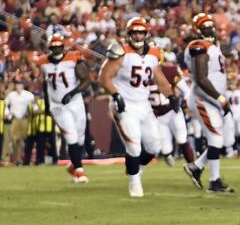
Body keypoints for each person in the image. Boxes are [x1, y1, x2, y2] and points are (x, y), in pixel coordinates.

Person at [99, 17, 177, 197]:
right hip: (125, 104)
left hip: (144, 104)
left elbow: (159, 78)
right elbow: (104, 77)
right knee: (134, 147)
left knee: (154, 147)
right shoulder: (121, 51)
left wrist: (171, 96)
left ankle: (136, 170)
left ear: (146, 34)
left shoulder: (154, 53)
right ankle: (135, 184)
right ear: (129, 34)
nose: (138, 36)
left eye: (141, 32)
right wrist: (116, 95)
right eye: (134, 32)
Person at [182, 13, 235, 193]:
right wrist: (220, 99)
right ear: (197, 30)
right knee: (216, 138)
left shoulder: (212, 46)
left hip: (211, 99)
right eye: (204, 28)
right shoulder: (198, 45)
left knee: (222, 138)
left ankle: (196, 167)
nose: (209, 30)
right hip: (202, 98)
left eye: (210, 26)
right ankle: (215, 181)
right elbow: (202, 79)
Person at [38, 34, 91, 181]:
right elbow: (46, 84)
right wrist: (47, 104)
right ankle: (79, 171)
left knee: (80, 138)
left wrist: (72, 93)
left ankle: (73, 165)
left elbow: (86, 80)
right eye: (53, 47)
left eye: (58, 46)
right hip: (58, 106)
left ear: (63, 46)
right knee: (71, 136)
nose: (56, 49)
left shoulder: (73, 58)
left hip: (75, 102)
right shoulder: (43, 62)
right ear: (50, 47)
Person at [2, 80, 35, 165]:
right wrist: (7, 113)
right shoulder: (11, 95)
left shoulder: (28, 95)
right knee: (14, 139)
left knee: (23, 139)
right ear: (15, 86)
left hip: (25, 119)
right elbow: (5, 104)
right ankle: (16, 159)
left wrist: (33, 112)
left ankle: (22, 159)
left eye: (20, 85)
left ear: (23, 86)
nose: (18, 87)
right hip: (15, 119)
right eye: (17, 85)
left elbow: (34, 104)